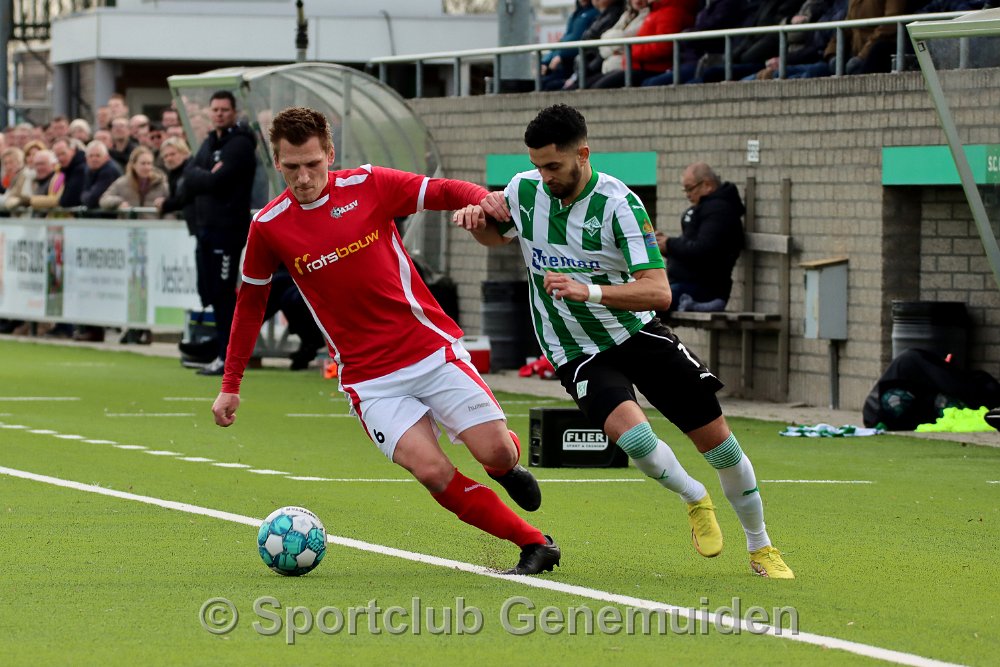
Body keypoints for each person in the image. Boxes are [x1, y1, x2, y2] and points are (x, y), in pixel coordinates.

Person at [210, 106, 560, 576]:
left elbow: (442, 190)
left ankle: (505, 464)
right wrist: (231, 384)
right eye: (292, 167)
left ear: (330, 153)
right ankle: (534, 543)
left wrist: (483, 199)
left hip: (430, 350)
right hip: (369, 379)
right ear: (277, 162)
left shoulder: (369, 184)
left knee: (495, 452)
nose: (304, 177)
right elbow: (250, 305)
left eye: (312, 163)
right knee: (432, 471)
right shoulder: (268, 226)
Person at [453, 104, 793, 578]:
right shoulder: (525, 190)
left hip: (636, 333)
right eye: (537, 165)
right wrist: (478, 225)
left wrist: (588, 290)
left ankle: (761, 547)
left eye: (553, 166)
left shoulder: (620, 205)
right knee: (635, 441)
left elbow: (659, 291)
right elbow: (499, 238)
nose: (544, 176)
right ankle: (694, 496)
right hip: (574, 348)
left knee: (721, 448)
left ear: (583, 154)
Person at [183, 90, 258, 376]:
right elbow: (190, 174)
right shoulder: (209, 141)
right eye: (215, 109)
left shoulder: (239, 144)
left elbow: (217, 181)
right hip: (206, 228)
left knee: (224, 293)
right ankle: (220, 351)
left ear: (234, 111)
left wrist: (203, 177)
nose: (219, 114)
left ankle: (228, 358)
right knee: (211, 291)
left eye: (224, 110)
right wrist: (205, 176)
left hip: (227, 230)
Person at [654, 162, 745, 312]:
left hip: (704, 289)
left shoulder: (719, 211)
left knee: (648, 305)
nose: (687, 194)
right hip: (685, 285)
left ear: (707, 185)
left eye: (690, 188)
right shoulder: (705, 209)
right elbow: (690, 247)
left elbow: (704, 250)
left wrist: (670, 244)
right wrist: (665, 247)